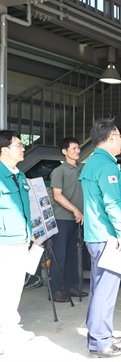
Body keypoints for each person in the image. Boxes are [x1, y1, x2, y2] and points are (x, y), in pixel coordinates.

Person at [80, 119, 121, 358]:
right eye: (120, 136)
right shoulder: (108, 167)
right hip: (107, 236)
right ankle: (100, 343)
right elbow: (112, 204)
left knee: (98, 287)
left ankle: (98, 332)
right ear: (111, 138)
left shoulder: (92, 163)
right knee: (105, 290)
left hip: (96, 235)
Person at [0, 130, 35, 352]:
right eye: (18, 145)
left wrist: (29, 231)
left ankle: (10, 326)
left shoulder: (19, 175)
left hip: (21, 238)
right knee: (4, 286)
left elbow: (24, 208)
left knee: (14, 286)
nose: (23, 148)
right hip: (4, 240)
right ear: (4, 149)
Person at [48, 137, 88, 303]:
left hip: (78, 219)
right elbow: (57, 196)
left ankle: (70, 286)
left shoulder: (82, 169)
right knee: (60, 254)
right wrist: (75, 210)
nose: (77, 151)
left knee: (74, 254)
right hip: (62, 218)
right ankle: (55, 290)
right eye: (73, 148)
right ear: (64, 152)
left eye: (78, 148)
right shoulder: (59, 171)